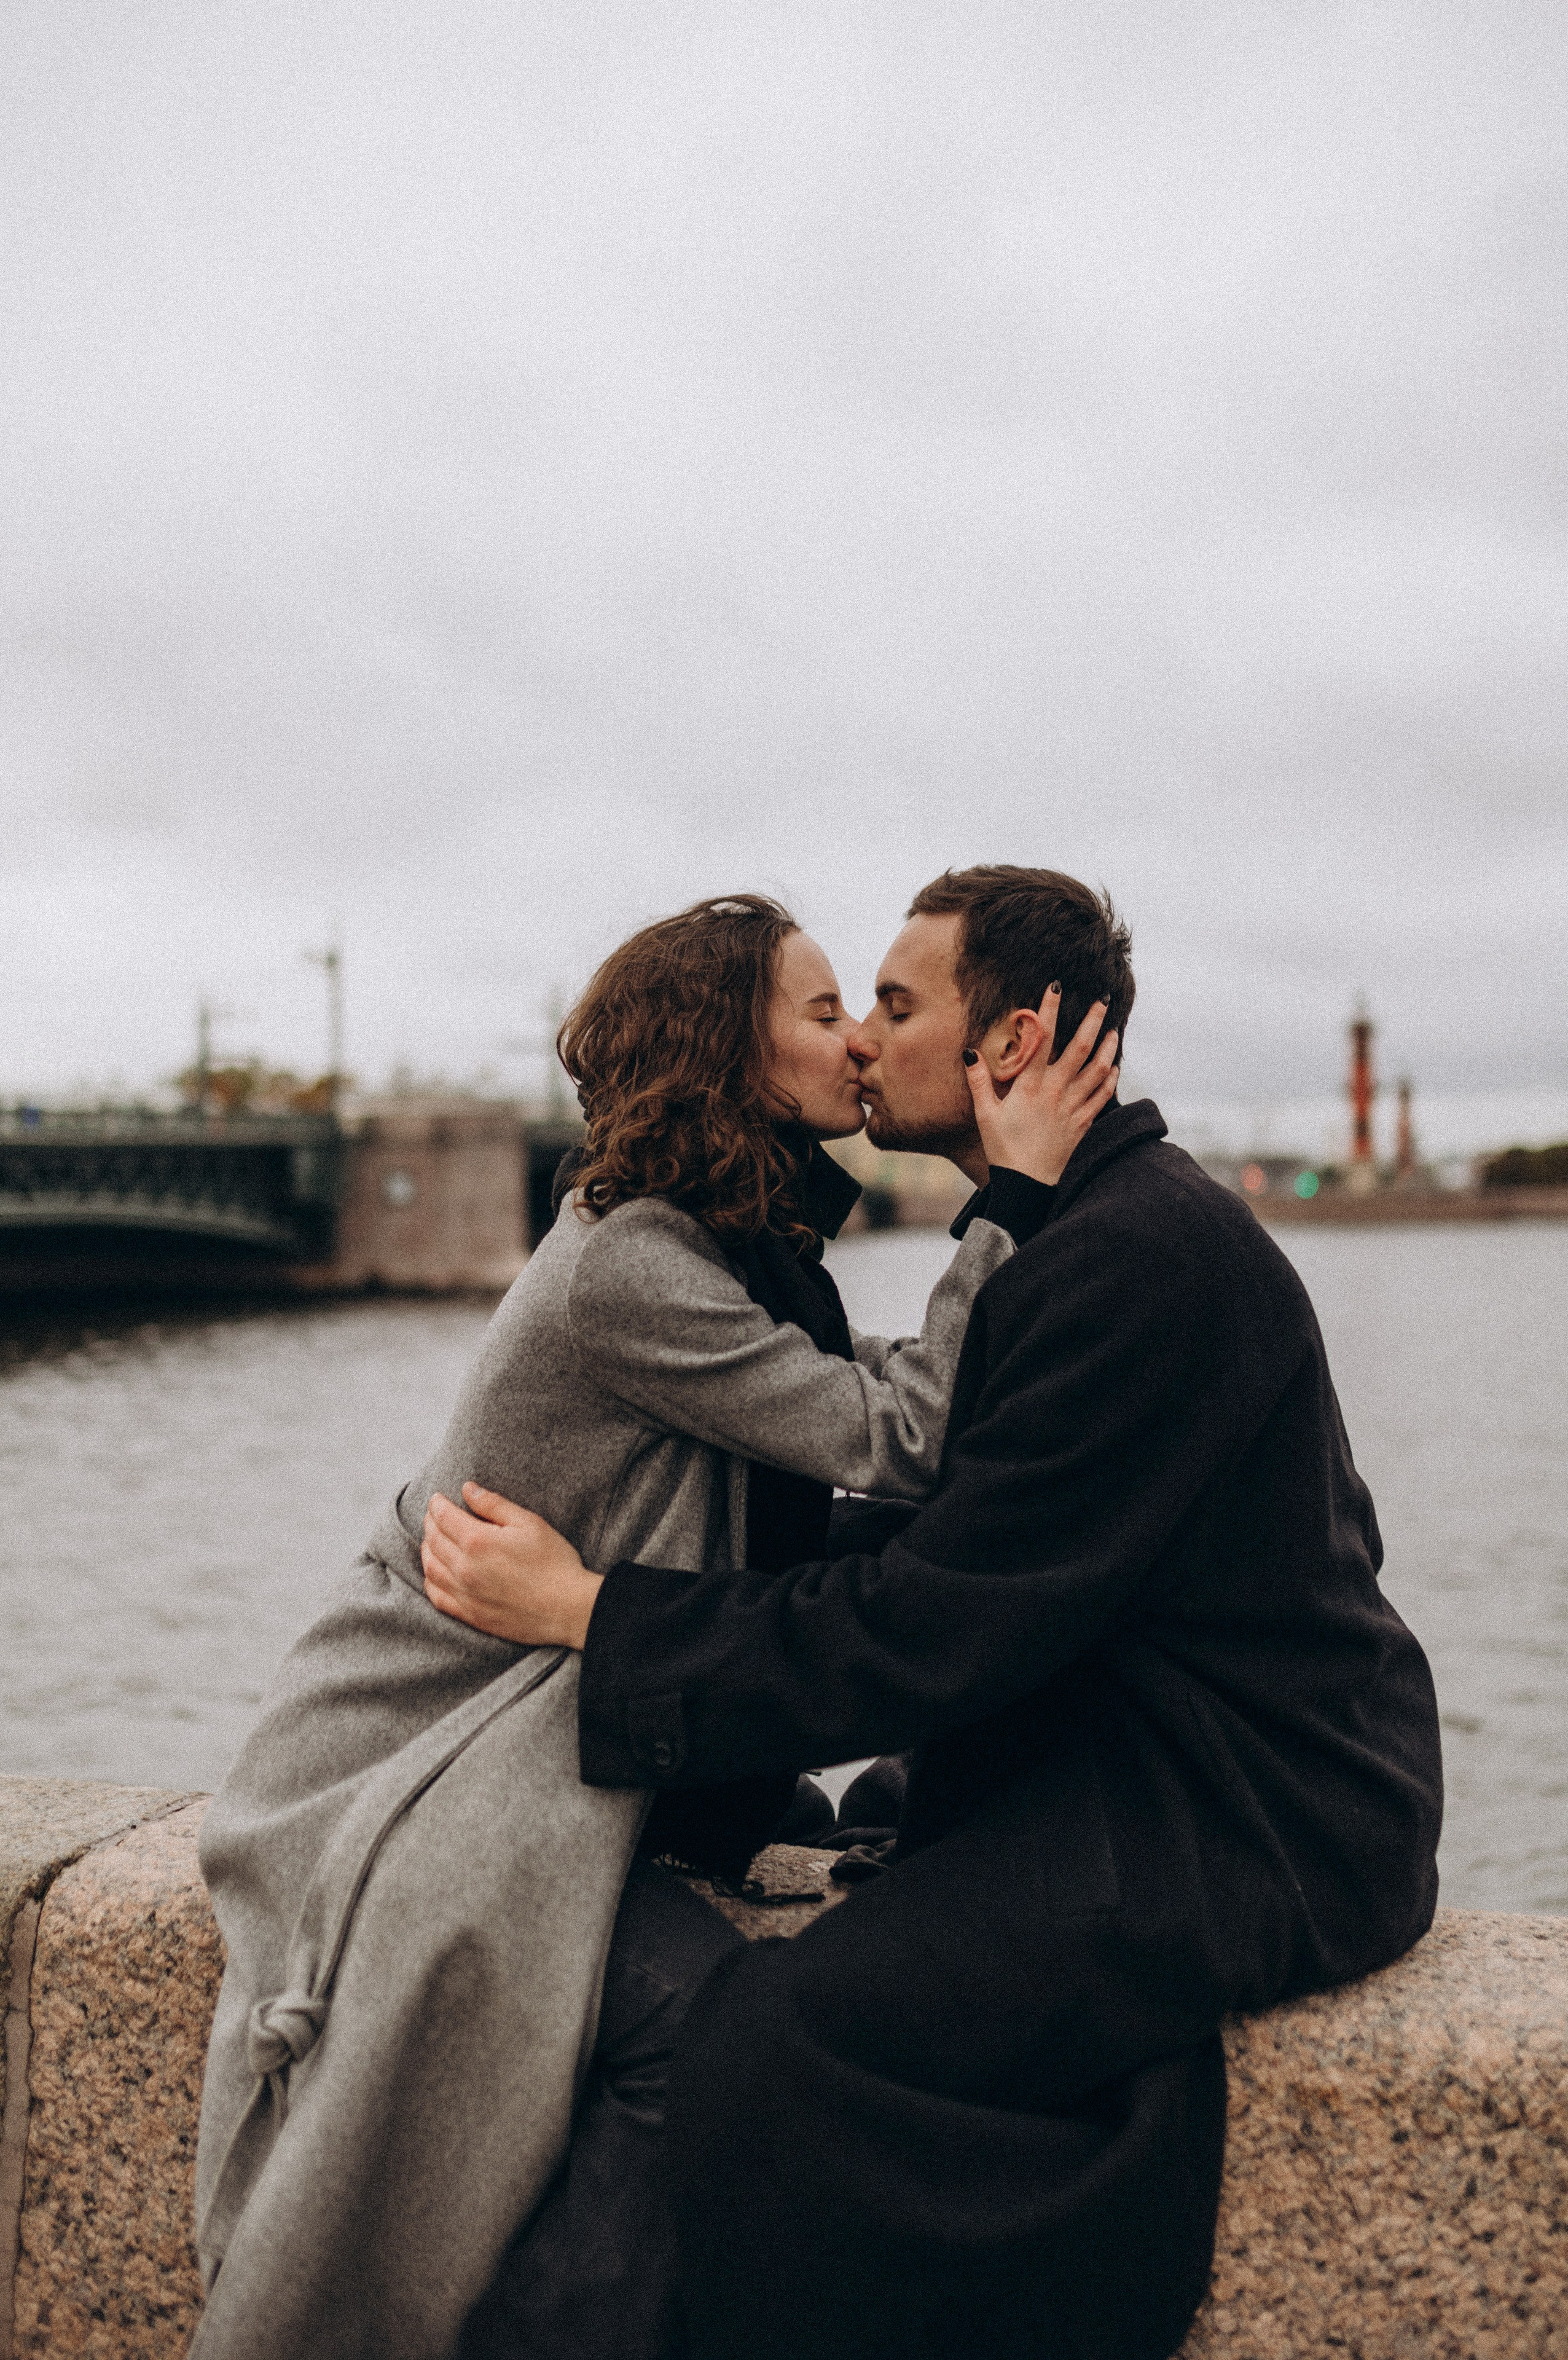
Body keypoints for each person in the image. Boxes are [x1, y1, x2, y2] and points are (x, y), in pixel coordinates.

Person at [421, 863, 1446, 2360]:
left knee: (774, 2045)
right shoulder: (1091, 1230)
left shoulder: (1130, 1260)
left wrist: (602, 1616)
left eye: (895, 1008)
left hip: (1251, 1815)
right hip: (1165, 1753)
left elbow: (929, 1626)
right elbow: (954, 1538)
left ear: (1011, 1046)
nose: (863, 1043)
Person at [190, 890, 1117, 2360]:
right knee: (696, 2036)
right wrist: (1015, 1196)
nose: (861, 1045)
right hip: (424, 1752)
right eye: (825, 1015)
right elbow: (906, 1428)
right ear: (733, 1056)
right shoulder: (629, 1261)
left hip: (545, 1725)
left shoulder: (726, 1248)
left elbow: (849, 1389)